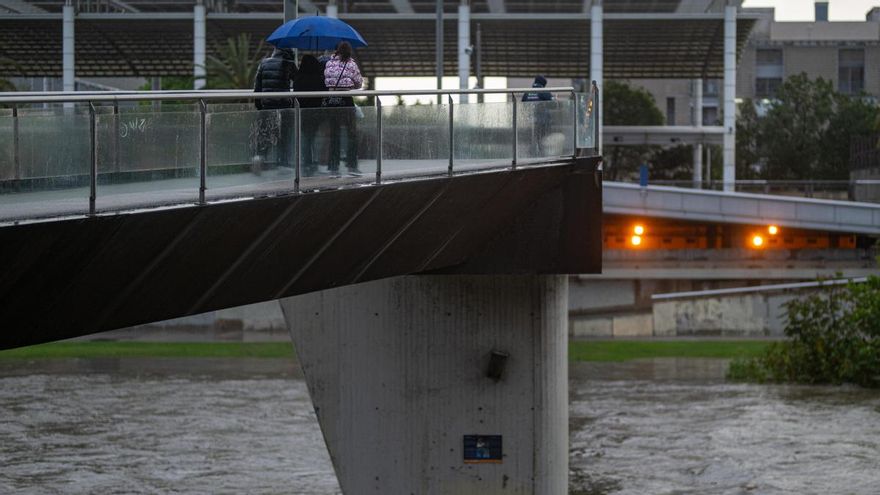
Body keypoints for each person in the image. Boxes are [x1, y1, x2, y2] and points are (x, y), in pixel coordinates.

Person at [323, 41, 363, 175]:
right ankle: (352, 165)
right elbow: (358, 83)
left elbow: (326, 80)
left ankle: (333, 167)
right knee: (352, 133)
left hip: (332, 100)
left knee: (334, 134)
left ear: (337, 51)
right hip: (346, 100)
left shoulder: (329, 63)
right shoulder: (351, 64)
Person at [253, 48, 296, 173]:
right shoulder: (289, 63)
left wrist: (258, 104)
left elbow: (257, 86)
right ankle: (282, 163)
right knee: (284, 134)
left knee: (265, 133)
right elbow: (298, 79)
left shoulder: (264, 62)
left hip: (267, 103)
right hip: (284, 104)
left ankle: (259, 157)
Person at [293, 54, 328, 176]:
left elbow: (296, 93)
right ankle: (315, 162)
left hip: (302, 112)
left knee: (306, 138)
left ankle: (307, 163)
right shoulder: (319, 77)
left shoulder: (299, 77)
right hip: (317, 112)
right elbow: (324, 92)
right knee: (314, 138)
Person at [521, 75, 554, 157]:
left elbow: (522, 104)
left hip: (530, 122)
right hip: (542, 122)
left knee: (532, 139)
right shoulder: (544, 91)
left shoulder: (527, 92)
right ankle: (541, 155)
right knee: (541, 140)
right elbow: (553, 103)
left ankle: (531, 154)